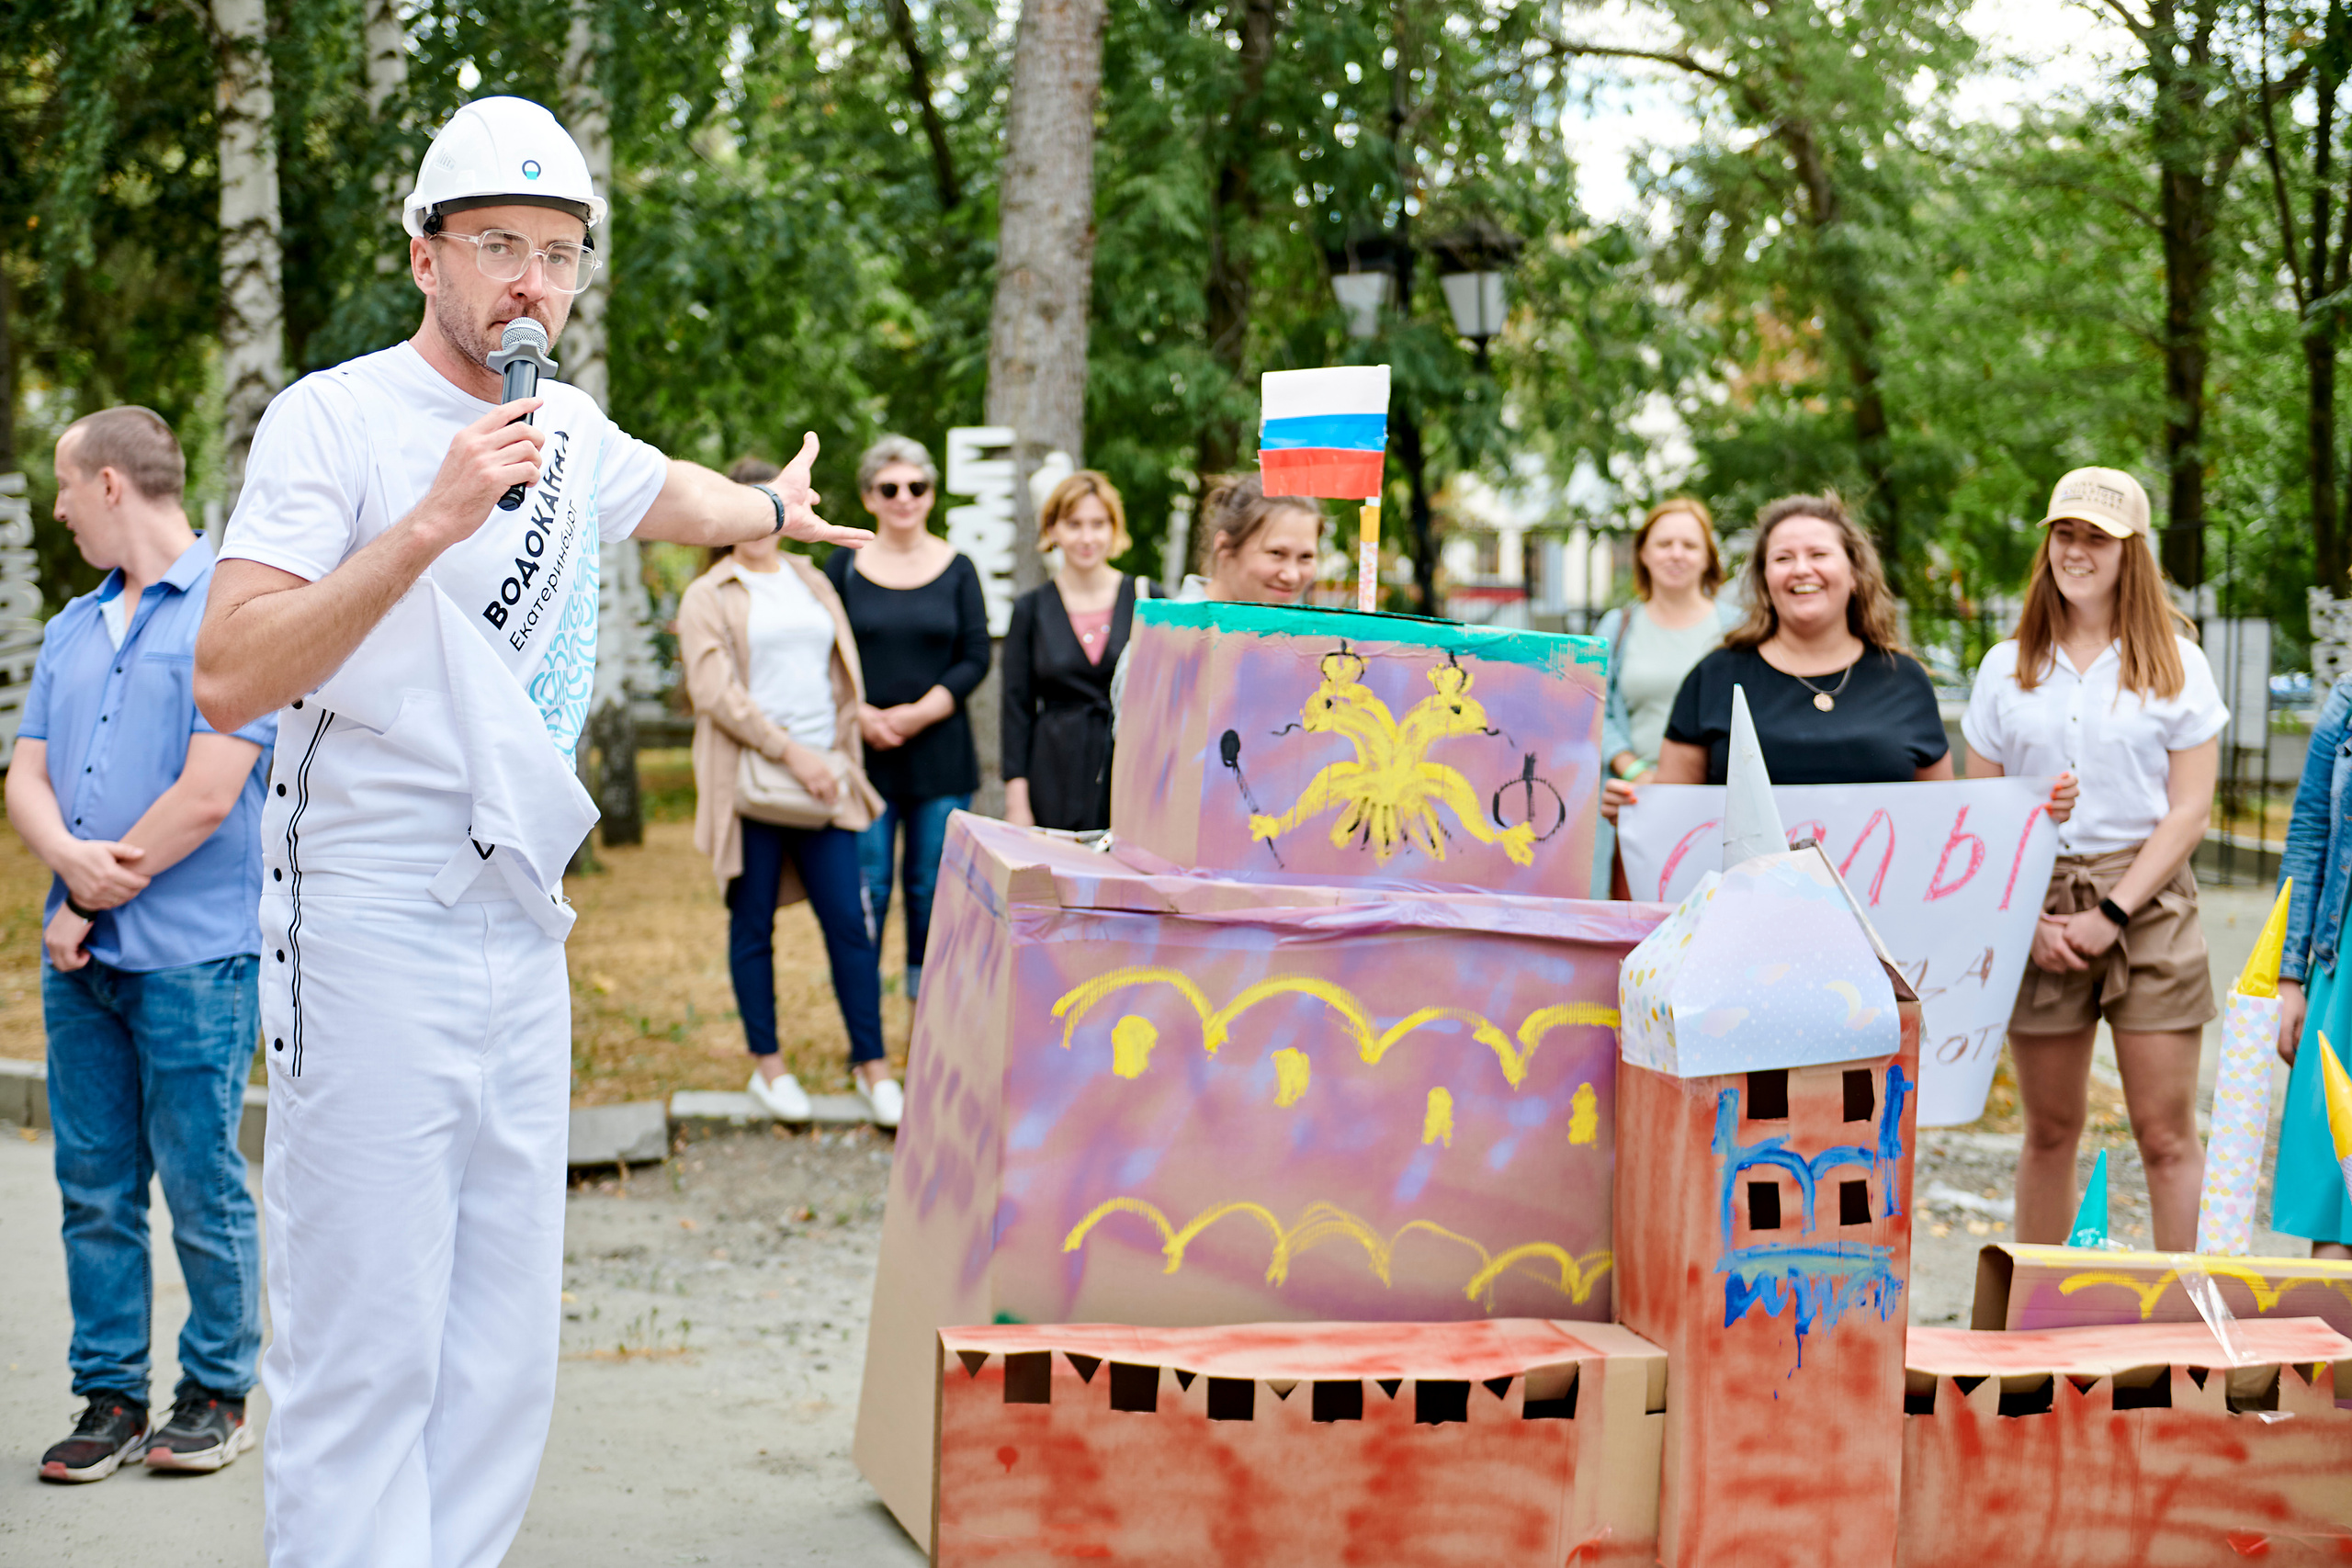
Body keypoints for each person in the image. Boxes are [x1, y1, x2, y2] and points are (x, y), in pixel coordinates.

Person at [190, 96, 868, 1566]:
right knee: (366, 1331)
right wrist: (428, 524)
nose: (531, 283)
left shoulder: (564, 429)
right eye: (499, 243)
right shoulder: (335, 418)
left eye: (559, 254)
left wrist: (760, 504)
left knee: (503, 1342)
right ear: (425, 253)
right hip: (364, 916)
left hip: (520, 913)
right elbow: (232, 668)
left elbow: (661, 488)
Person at [12, 408, 275, 1484]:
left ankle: (217, 1389)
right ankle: (109, 1397)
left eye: (68, 485)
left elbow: (211, 793)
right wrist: (66, 866)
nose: (60, 505)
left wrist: (85, 893)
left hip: (193, 956)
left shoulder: (236, 608)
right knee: (94, 1187)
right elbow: (24, 773)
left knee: (200, 1177)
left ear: (112, 484)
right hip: (81, 967)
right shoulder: (73, 626)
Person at [1962, 468, 2220, 1252]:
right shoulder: (2006, 668)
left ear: (2130, 551)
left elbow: (2189, 811)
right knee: (2048, 1132)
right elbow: (1985, 815)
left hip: (2145, 901)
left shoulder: (2178, 663)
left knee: (2166, 1133)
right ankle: (2031, 1327)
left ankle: (2189, 1327)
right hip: (2036, 902)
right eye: (2065, 534)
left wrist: (2112, 914)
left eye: (2097, 537)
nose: (2077, 550)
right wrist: (2026, 921)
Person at [680, 457, 898, 1127]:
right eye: (746, 501)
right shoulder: (708, 595)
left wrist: (831, 752)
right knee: (753, 925)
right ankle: (769, 1068)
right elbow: (715, 693)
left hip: (826, 777)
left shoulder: (812, 580)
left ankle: (873, 1067)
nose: (760, 515)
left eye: (769, 500)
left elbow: (840, 672)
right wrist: (791, 752)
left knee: (849, 924)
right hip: (754, 785)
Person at [1632, 493, 1953, 792]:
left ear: (1854, 573)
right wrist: (1634, 807)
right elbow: (1672, 814)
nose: (1801, 569)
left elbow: (1942, 817)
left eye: (1819, 554)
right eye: (1783, 558)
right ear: (1764, 580)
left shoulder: (1905, 680)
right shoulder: (1714, 677)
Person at [824, 435, 989, 1003]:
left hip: (941, 758)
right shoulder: (842, 565)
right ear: (869, 497)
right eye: (889, 488)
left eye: (916, 487)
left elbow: (976, 657)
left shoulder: (959, 568)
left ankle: (927, 1009)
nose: (904, 498)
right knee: (869, 888)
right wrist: (860, 714)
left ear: (931, 495)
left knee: (930, 888)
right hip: (865, 756)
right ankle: (864, 1018)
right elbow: (825, 652)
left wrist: (920, 714)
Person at [1591, 497, 1739, 895]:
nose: (1677, 554)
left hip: (1716, 809)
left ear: (1708, 557)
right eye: (1664, 544)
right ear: (1643, 553)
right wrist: (1638, 773)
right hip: (1634, 804)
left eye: (1689, 545)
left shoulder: (1737, 630)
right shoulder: (1618, 626)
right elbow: (1591, 707)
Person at [1107, 473, 1322, 727]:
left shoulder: (1307, 645)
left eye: (1306, 557)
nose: (1292, 575)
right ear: (1225, 548)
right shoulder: (1168, 638)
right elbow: (1140, 754)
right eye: (1276, 553)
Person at [1003, 471, 1148, 832]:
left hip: (1129, 768)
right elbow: (1016, 710)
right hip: (1052, 772)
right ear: (1052, 530)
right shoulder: (1030, 610)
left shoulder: (1147, 598)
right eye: (1074, 524)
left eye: (1098, 524)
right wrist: (1017, 803)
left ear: (1114, 529)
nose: (1087, 538)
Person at [2276, 672, 2352, 1261]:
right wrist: (2289, 976)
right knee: (2336, 1185)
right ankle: (2334, 1354)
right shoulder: (2349, 698)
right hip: (2343, 957)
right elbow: (2308, 833)